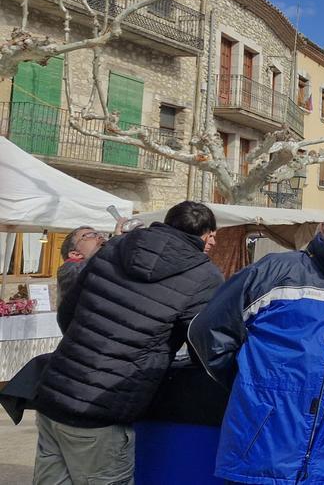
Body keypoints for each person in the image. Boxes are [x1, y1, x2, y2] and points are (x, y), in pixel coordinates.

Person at [188, 201, 324, 484]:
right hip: (261, 450)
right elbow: (208, 329)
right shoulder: (277, 270)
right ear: (323, 229)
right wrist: (248, 381)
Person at [35, 201, 222, 484]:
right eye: (213, 235)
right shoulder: (204, 275)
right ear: (205, 235)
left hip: (56, 392)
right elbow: (204, 343)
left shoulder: (115, 247)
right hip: (104, 405)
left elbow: (68, 312)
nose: (214, 242)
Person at [55, 221, 120, 308]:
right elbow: (95, 275)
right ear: (75, 254)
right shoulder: (69, 270)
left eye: (99, 234)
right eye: (90, 235)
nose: (100, 236)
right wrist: (118, 243)